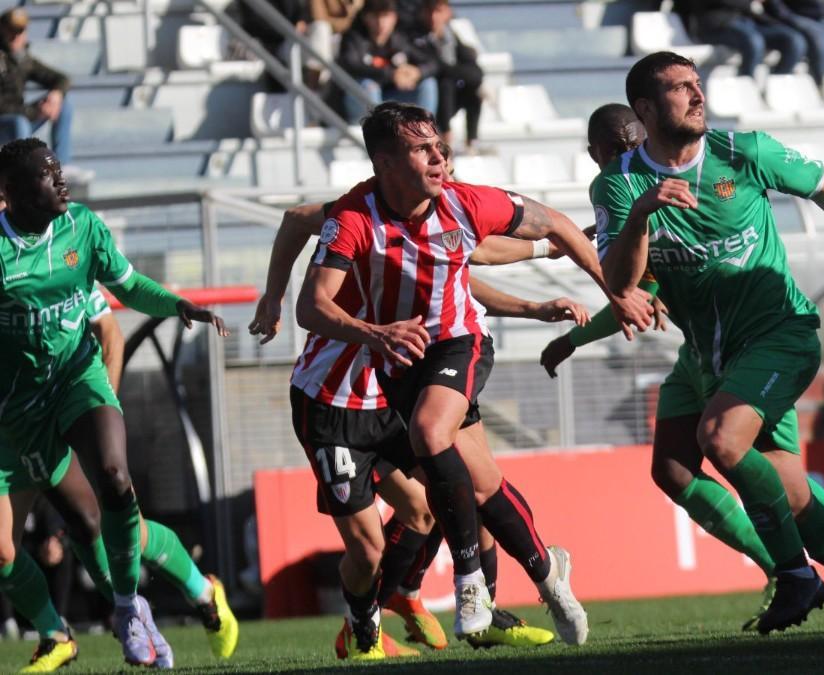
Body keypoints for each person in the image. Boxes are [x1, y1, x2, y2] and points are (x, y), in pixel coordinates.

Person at [293, 102, 652, 650]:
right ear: (385, 163)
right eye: (423, 149)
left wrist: (615, 292)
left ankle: (470, 586)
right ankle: (550, 576)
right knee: (480, 485)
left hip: (459, 343)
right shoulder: (353, 217)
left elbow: (551, 222)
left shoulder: (465, 201)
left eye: (441, 145)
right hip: (385, 370)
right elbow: (311, 306)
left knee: (431, 438)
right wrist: (373, 333)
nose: (441, 157)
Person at [541, 101, 824, 632]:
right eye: (615, 151)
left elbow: (635, 296)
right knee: (673, 468)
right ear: (595, 154)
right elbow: (633, 285)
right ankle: (786, 568)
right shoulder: (625, 197)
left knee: (780, 481)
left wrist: (576, 335)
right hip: (702, 353)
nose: (624, 157)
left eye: (630, 145)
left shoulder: (712, 169)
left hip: (757, 345)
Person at [249, 180, 579, 657]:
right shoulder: (357, 219)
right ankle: (362, 628)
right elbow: (297, 219)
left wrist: (543, 266)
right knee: (367, 550)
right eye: (427, 157)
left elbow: (466, 266)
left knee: (447, 496)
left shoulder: (439, 219)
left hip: (389, 393)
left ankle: (464, 604)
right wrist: (273, 296)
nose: (438, 172)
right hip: (332, 403)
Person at [0, 138, 227, 670]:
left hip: (80, 379)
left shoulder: (82, 226)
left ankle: (126, 608)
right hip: (19, 409)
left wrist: (176, 305)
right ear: (9, 192)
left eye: (59, 171)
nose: (61, 181)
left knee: (115, 475)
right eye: (46, 175)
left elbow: (125, 292)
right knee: (78, 527)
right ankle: (64, 631)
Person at [338, 0, 438, 124]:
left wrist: (417, 72)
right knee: (369, 86)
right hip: (360, 101)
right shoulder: (354, 38)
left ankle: (423, 130)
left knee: (428, 84)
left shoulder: (400, 39)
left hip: (391, 98)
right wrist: (391, 74)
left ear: (394, 17)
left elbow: (432, 62)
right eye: (375, 16)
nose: (381, 23)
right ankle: (378, 135)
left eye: (385, 16)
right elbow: (351, 65)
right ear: (365, 17)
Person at [0, 9, 73, 168]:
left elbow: (62, 78)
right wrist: (34, 112)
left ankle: (63, 166)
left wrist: (56, 94)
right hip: (7, 123)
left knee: (63, 105)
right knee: (19, 123)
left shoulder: (23, 59)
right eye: (11, 30)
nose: (15, 36)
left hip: (21, 116)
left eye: (19, 31)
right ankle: (24, 171)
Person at [410, 0, 483, 150]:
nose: (433, 17)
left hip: (447, 100)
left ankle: (472, 141)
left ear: (448, 13)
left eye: (438, 11)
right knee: (445, 83)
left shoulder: (451, 38)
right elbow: (434, 67)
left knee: (474, 92)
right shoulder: (414, 37)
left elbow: (475, 73)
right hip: (423, 100)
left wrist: (451, 70)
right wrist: (453, 71)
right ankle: (445, 135)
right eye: (429, 11)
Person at [683, 0, 808, 78]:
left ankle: (775, 91)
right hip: (719, 24)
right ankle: (746, 91)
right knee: (754, 42)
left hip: (751, 22)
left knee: (794, 41)